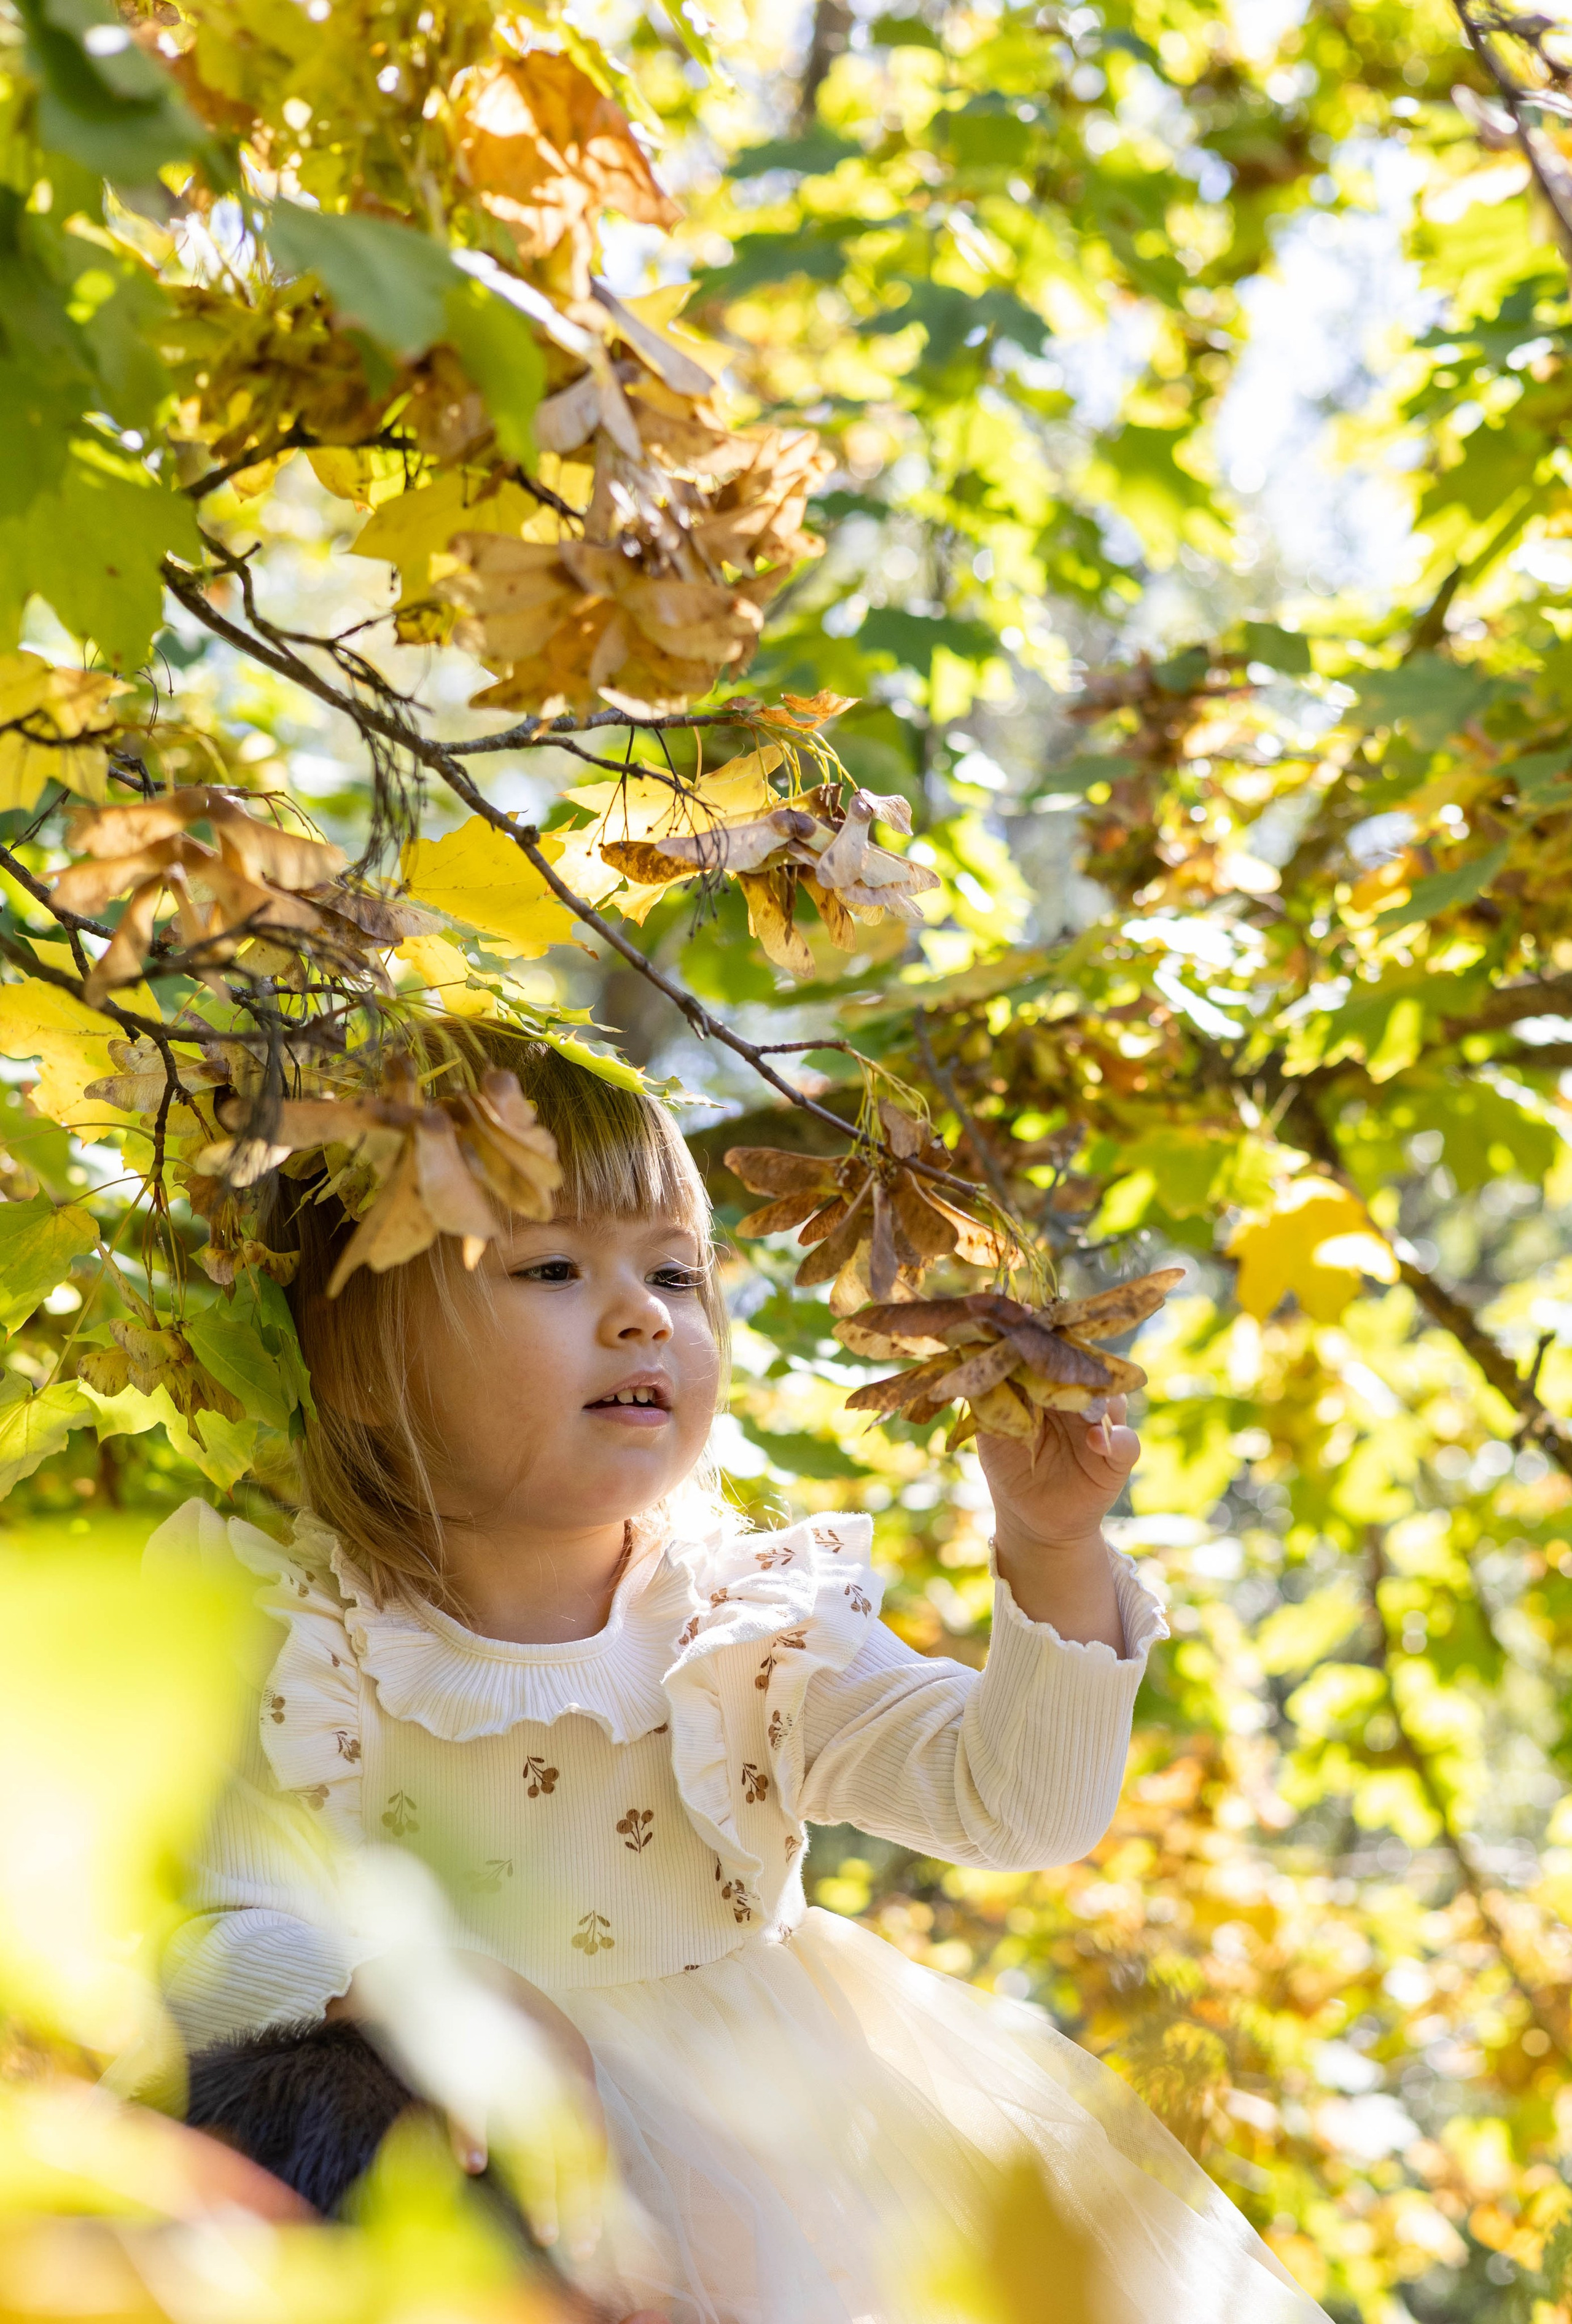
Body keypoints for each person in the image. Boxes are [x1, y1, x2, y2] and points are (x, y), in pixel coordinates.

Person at [154, 1028, 1327, 2324]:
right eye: (551, 1265)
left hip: (778, 2166)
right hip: (452, 2163)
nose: (641, 1311)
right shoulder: (283, 1624)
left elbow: (1018, 1806)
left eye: (674, 1269)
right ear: (358, 1366)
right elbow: (203, 1926)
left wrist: (1051, 1547)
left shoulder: (741, 1622)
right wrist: (382, 1983)